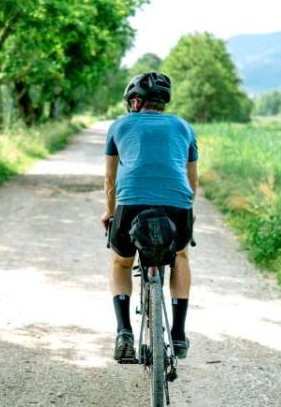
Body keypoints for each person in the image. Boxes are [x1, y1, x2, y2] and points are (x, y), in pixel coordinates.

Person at [100, 71, 198, 363]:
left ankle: (124, 333)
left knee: (120, 262)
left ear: (136, 100)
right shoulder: (184, 127)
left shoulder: (120, 126)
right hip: (177, 205)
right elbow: (192, 182)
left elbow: (110, 179)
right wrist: (187, 212)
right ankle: (178, 334)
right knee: (179, 256)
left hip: (130, 204)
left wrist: (109, 212)